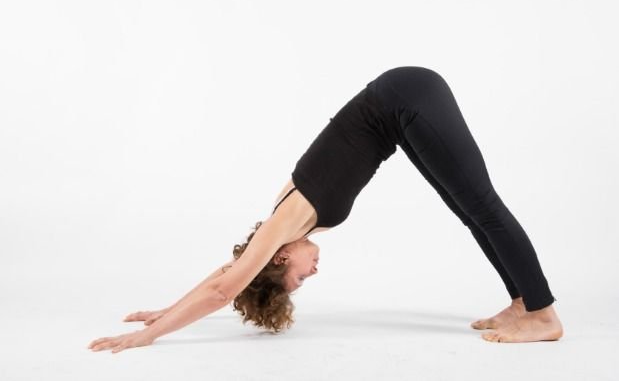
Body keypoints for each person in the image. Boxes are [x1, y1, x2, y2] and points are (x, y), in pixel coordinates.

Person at [88, 66, 563, 353]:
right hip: (400, 109)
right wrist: (165, 310)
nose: (311, 274)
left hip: (406, 98)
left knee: (483, 205)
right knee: (471, 210)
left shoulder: (283, 224)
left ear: (278, 258)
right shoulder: (282, 225)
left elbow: (221, 288)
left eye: (297, 279)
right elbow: (228, 271)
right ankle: (522, 302)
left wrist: (148, 338)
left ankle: (543, 316)